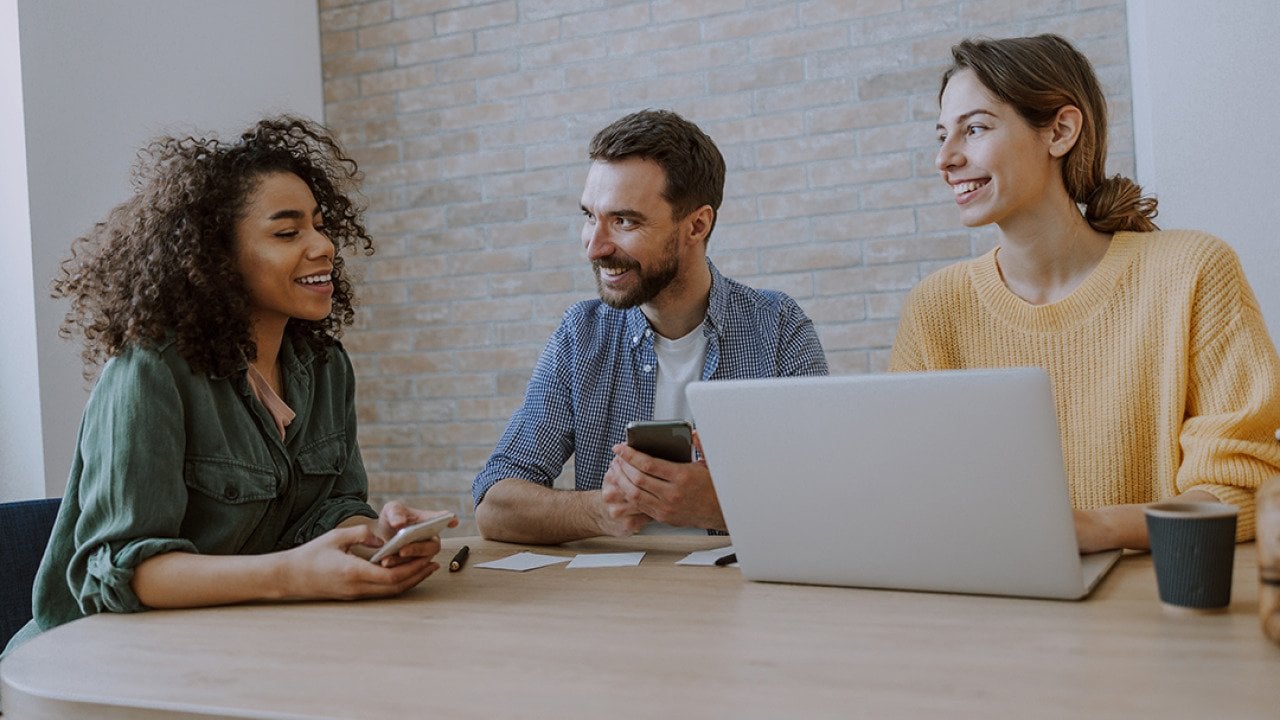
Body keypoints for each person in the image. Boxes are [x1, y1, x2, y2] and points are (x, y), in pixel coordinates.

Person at [3, 116, 454, 658]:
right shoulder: (151, 371)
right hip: (96, 660)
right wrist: (292, 575)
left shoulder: (325, 365)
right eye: (287, 233)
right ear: (217, 259)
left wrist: (376, 535)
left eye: (319, 225)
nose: (324, 246)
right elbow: (120, 572)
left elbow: (332, 508)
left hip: (238, 645)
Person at [891, 34, 1280, 552]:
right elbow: (910, 492)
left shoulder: (1192, 272)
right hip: (996, 591)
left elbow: (1240, 486)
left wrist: (1096, 529)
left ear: (1060, 131)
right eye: (942, 135)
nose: (945, 158)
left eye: (975, 129)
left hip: (1153, 594)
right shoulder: (934, 307)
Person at [473, 109, 828, 544]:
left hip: (740, 580)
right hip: (622, 586)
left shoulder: (778, 327)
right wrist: (600, 512)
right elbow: (494, 507)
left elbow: (828, 499)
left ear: (697, 225)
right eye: (590, 216)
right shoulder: (581, 335)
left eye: (624, 221)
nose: (594, 247)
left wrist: (718, 505)